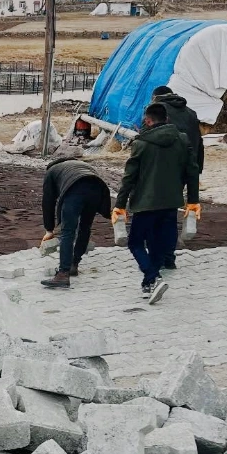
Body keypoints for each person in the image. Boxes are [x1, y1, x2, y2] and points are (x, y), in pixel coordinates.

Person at [113, 103, 201, 304]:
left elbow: (129, 178)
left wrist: (119, 205)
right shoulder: (182, 139)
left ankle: (153, 277)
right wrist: (193, 201)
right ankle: (148, 284)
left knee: (135, 243)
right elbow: (192, 172)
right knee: (159, 244)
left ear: (148, 120)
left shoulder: (141, 144)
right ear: (167, 119)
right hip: (171, 203)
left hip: (145, 204)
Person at [152, 85, 204, 270]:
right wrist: (196, 170)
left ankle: (159, 254)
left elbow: (149, 139)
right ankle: (169, 256)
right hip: (184, 169)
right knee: (170, 210)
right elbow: (199, 141)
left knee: (155, 211)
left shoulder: (157, 111)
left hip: (161, 168)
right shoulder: (190, 112)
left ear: (155, 98)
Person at [40, 158, 112, 289]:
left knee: (67, 232)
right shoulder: (81, 165)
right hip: (97, 190)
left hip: (75, 189)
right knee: (85, 227)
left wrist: (49, 230)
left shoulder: (51, 171)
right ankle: (74, 264)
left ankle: (63, 274)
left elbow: (48, 203)